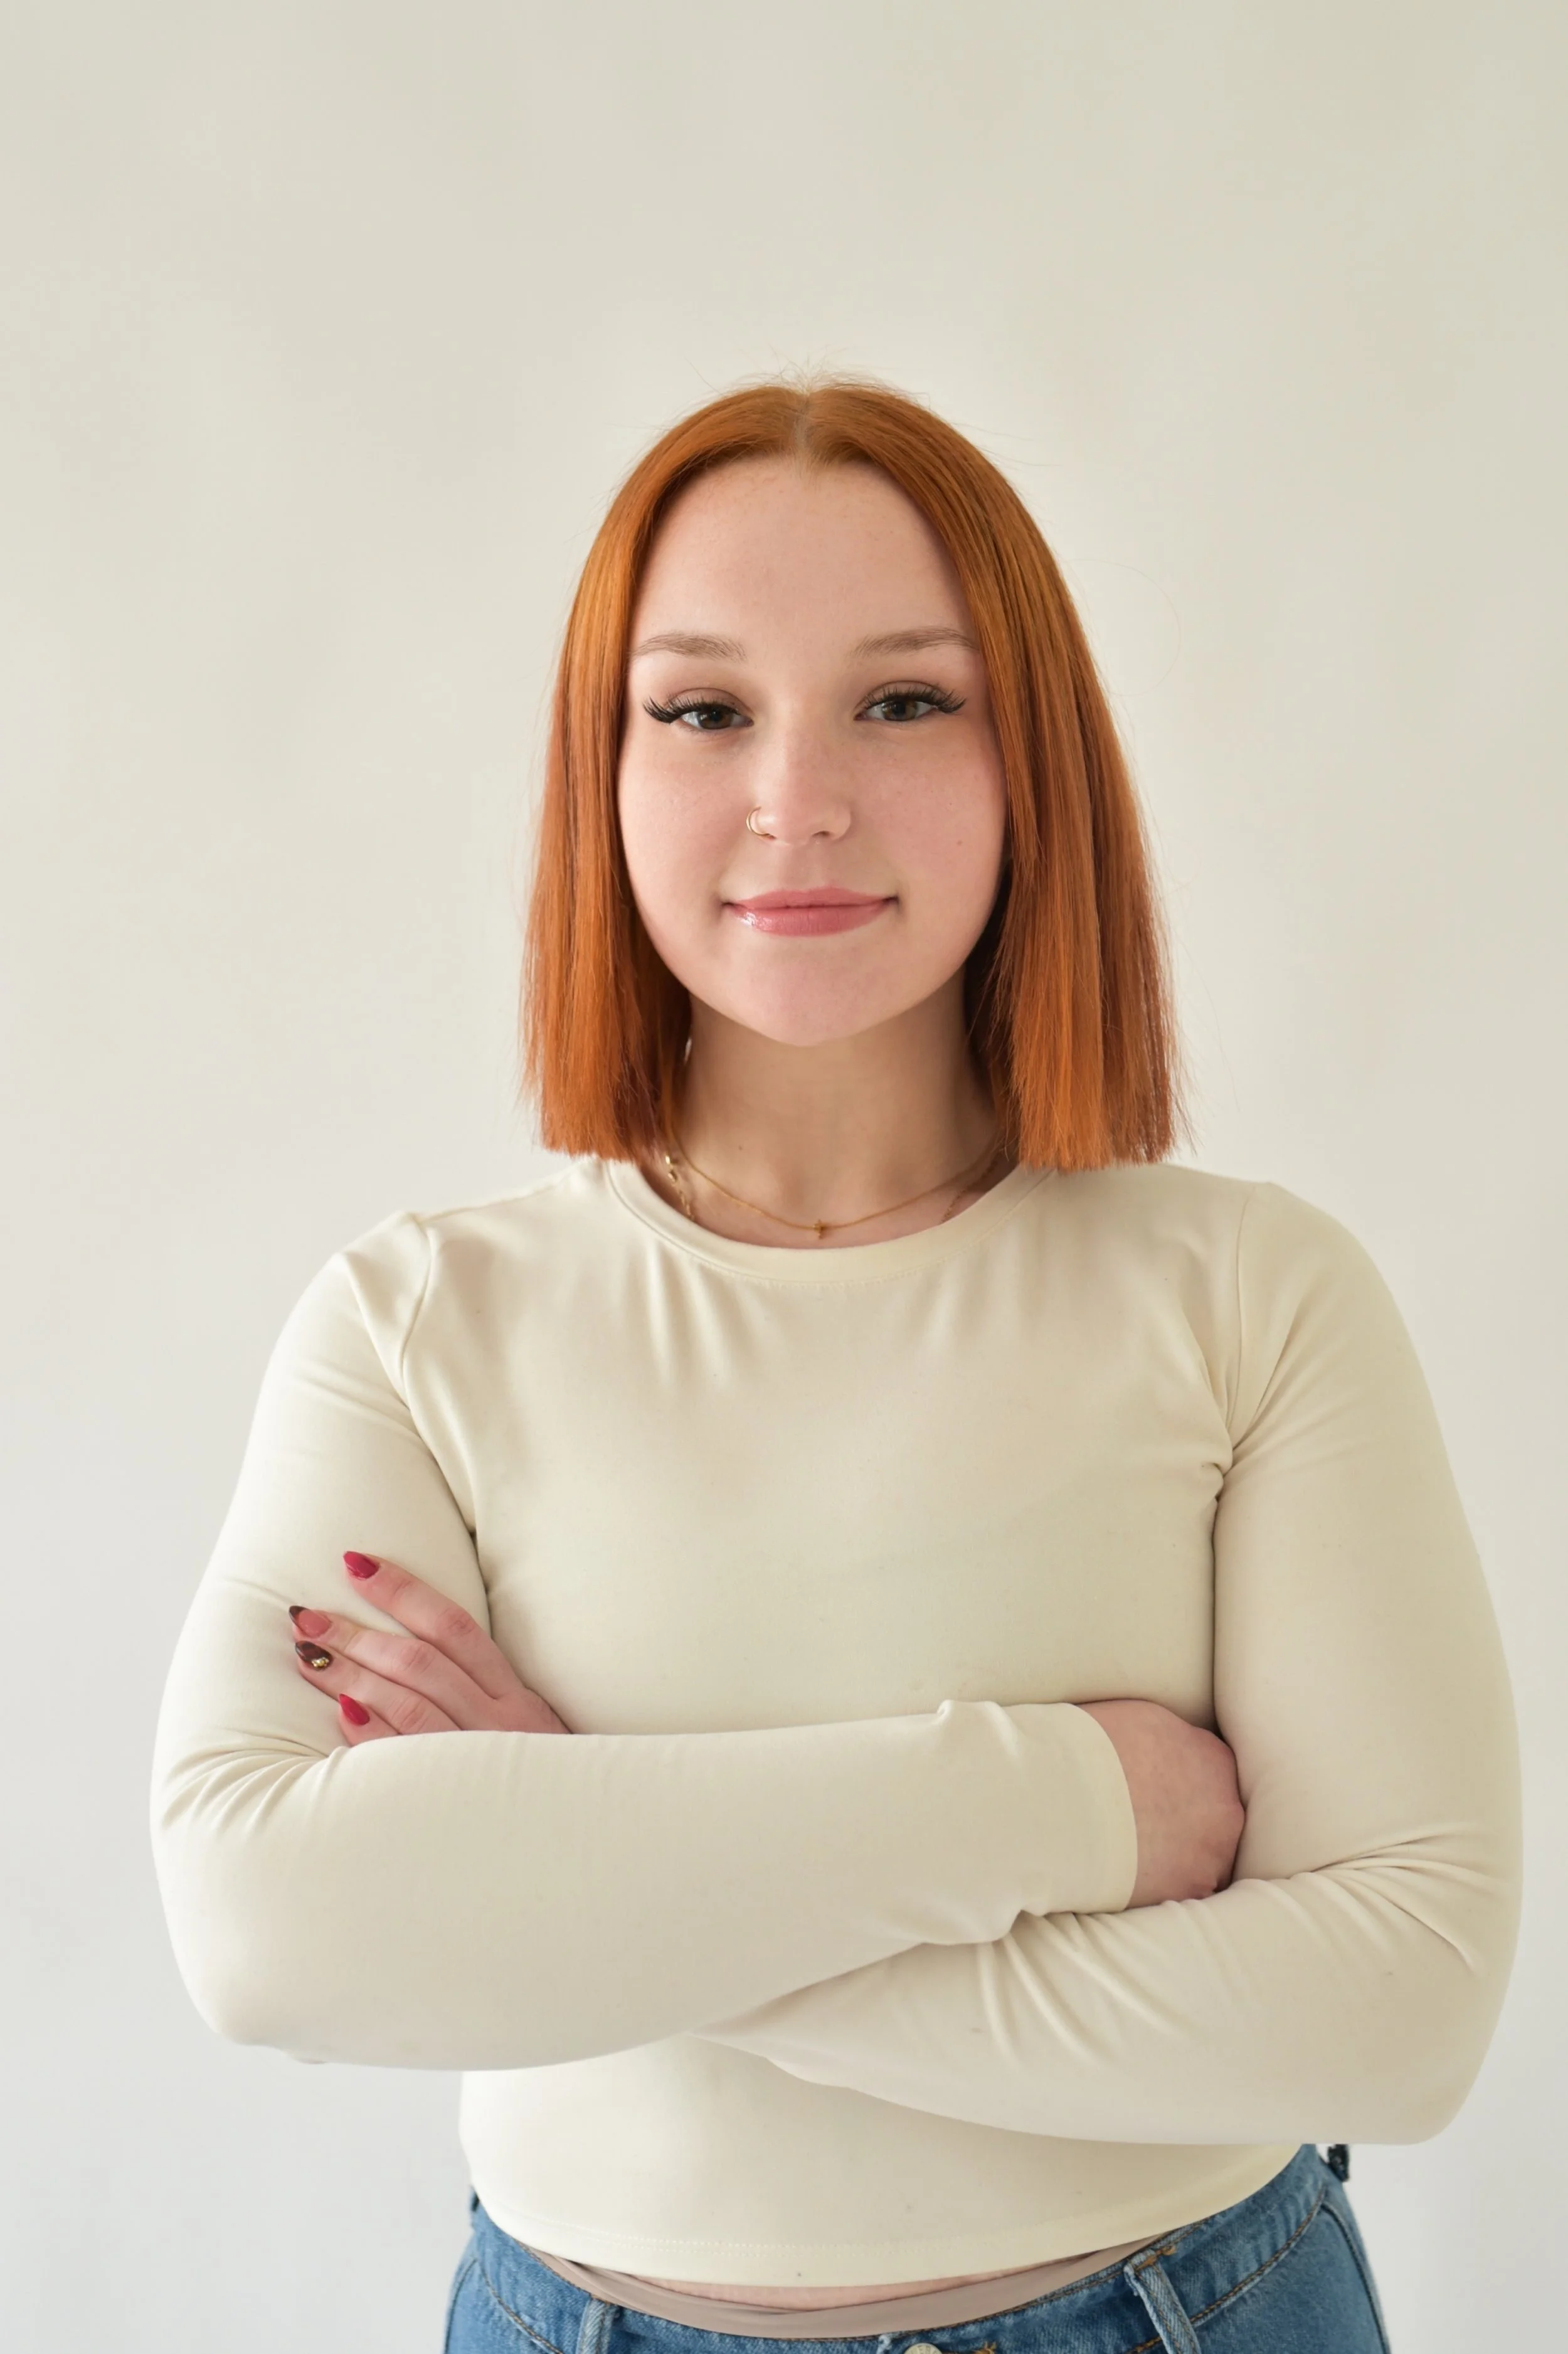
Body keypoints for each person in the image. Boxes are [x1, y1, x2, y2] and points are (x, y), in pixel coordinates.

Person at [151, 378, 1522, 2353]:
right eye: (702, 709)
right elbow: (268, 1931)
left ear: (1028, 756)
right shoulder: (417, 1322)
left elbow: (1398, 2010)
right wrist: (1068, 1806)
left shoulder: (1251, 1292)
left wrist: (582, 1863)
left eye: (904, 700)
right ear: (600, 770)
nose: (797, 794)